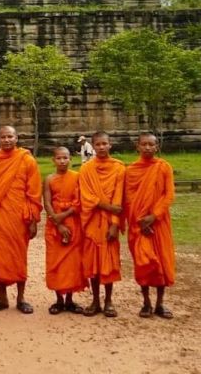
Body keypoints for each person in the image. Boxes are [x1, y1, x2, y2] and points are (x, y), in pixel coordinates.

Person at [0, 125, 42, 314]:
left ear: (16, 138)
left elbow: (34, 192)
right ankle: (2, 297)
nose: (7, 140)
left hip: (19, 217)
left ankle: (21, 298)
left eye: (10, 136)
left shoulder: (26, 160)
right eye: (3, 137)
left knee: (19, 258)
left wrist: (32, 219)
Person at [124, 132, 176, 319]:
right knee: (143, 263)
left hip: (159, 222)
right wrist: (141, 220)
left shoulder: (164, 167)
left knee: (161, 260)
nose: (147, 148)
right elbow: (129, 198)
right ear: (137, 147)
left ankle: (160, 303)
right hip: (138, 224)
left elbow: (168, 195)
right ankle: (146, 302)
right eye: (143, 144)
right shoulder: (131, 170)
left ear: (157, 147)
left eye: (150, 144)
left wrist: (153, 216)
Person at [79, 130, 126, 317]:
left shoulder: (119, 168)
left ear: (110, 145)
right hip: (91, 221)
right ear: (93, 146)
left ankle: (108, 301)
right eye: (97, 144)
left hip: (108, 224)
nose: (101, 147)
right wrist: (108, 206)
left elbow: (119, 197)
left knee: (108, 262)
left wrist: (115, 224)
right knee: (93, 264)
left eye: (104, 144)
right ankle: (95, 301)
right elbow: (86, 196)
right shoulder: (86, 169)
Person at [43, 146, 86, 314]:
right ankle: (59, 299)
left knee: (72, 264)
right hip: (54, 225)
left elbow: (80, 200)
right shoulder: (49, 179)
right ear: (53, 160)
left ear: (71, 160)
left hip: (73, 222)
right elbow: (47, 202)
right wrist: (57, 222)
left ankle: (70, 300)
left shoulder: (77, 177)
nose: (62, 161)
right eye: (59, 158)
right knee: (55, 263)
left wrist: (65, 215)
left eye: (65, 158)